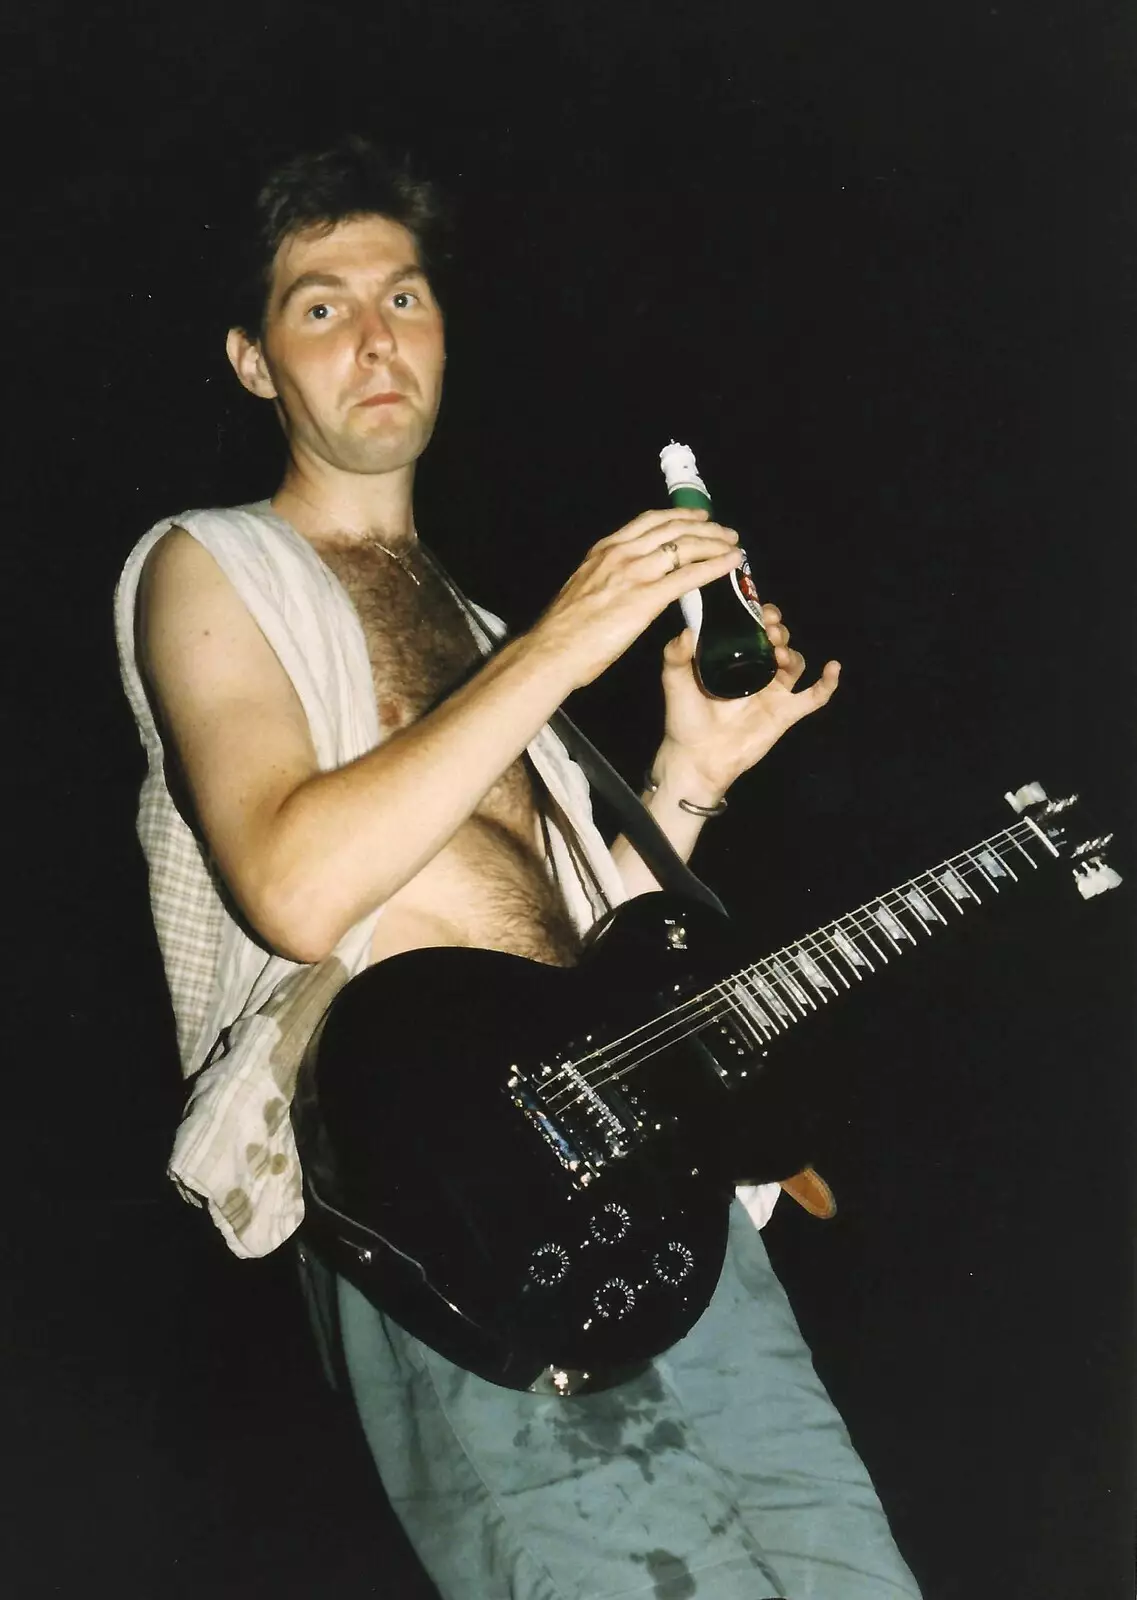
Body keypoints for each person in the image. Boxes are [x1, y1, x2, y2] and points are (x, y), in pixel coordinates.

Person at [115, 136, 922, 1600]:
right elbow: (295, 887)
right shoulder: (210, 565)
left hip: (654, 1191)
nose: (376, 336)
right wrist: (568, 642)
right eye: (320, 306)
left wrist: (687, 775)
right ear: (254, 363)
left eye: (406, 297)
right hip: (450, 1211)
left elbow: (592, 956)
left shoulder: (484, 631)